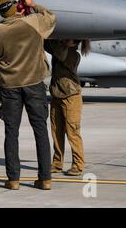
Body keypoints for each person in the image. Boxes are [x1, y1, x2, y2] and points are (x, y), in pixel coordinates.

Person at [0, 0, 56, 190]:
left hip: (10, 85)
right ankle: (45, 178)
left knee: (11, 132)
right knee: (40, 130)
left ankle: (13, 179)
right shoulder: (33, 22)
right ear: (17, 8)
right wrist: (33, 5)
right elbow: (51, 17)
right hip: (34, 82)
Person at [45, 39, 90, 176]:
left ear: (74, 42)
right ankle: (57, 163)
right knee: (56, 132)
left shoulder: (73, 55)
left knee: (72, 132)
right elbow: (46, 45)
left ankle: (78, 164)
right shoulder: (60, 50)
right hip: (57, 95)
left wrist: (54, 39)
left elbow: (58, 52)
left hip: (71, 97)